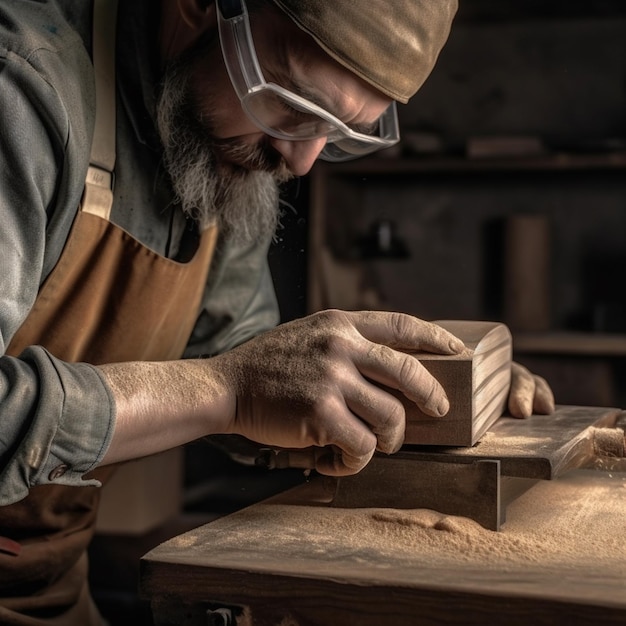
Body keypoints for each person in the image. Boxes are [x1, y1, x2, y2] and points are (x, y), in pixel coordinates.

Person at [0, 0, 555, 622]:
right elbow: (232, 380)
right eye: (293, 106)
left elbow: (249, 360)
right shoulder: (24, 88)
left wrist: (412, 396)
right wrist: (228, 389)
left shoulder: (223, 145)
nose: (301, 161)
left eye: (337, 135)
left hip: (50, 585)